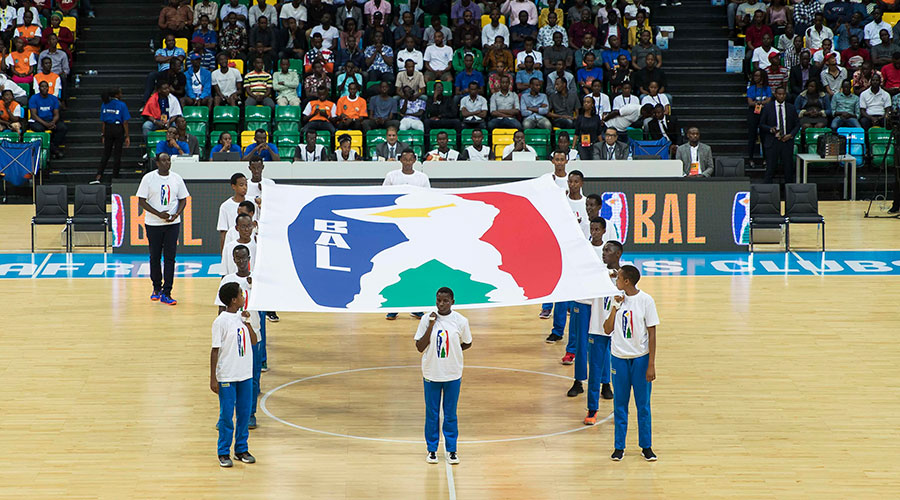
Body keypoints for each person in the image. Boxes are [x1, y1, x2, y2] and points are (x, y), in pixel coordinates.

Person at [603, 265, 659, 462]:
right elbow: (607, 329)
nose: (615, 280)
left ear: (627, 281)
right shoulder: (615, 299)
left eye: (618, 278)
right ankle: (619, 447)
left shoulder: (646, 301)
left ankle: (646, 446)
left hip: (640, 358)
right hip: (619, 358)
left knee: (643, 405)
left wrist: (651, 363)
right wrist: (615, 308)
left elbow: (652, 333)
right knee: (620, 404)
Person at [415, 287, 472, 466]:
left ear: (452, 302)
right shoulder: (426, 319)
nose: (441, 304)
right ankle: (432, 450)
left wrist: (452, 353)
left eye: (445, 301)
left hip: (452, 374)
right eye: (438, 300)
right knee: (431, 413)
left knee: (450, 414)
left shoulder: (461, 321)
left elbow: (467, 343)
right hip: (431, 373)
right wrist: (431, 325)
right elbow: (419, 346)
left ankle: (451, 450)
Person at [210, 280, 259, 468]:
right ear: (233, 300)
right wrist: (213, 378)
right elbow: (215, 351)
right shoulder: (220, 322)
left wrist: (247, 323)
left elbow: (254, 341)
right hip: (228, 376)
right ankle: (223, 452)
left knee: (244, 414)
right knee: (226, 415)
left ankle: (241, 449)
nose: (243, 296)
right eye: (240, 294)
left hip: (245, 374)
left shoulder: (242, 317)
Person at [137, 153, 188, 305]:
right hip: (153, 223)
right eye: (164, 160)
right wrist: (158, 214)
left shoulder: (176, 178)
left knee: (170, 257)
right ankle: (156, 288)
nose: (167, 163)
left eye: (169, 160)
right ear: (157, 162)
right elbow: (141, 200)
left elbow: (183, 199)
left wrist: (176, 214)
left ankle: (167, 291)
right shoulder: (148, 178)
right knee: (155, 256)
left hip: (173, 223)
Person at [583, 238, 620, 425]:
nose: (603, 253)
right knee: (595, 371)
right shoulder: (596, 273)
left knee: (620, 373)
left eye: (608, 250)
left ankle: (621, 410)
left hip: (619, 332)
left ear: (618, 254)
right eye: (603, 250)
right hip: (597, 329)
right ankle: (592, 410)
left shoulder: (626, 276)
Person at [759, 86, 800, 184]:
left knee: (788, 169)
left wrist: (790, 135)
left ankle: (789, 192)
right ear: (775, 95)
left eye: (783, 94)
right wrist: (771, 129)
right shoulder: (768, 107)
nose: (781, 96)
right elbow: (761, 124)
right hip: (773, 141)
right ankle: (767, 192)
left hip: (787, 141)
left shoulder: (791, 107)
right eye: (779, 94)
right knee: (770, 168)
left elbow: (797, 124)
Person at [93, 88, 131, 183]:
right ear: (117, 95)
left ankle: (99, 175)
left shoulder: (104, 104)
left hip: (108, 130)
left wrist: (103, 135)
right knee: (117, 154)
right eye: (120, 93)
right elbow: (125, 122)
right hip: (118, 129)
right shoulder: (122, 105)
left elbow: (103, 122)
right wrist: (127, 136)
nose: (122, 94)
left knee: (106, 153)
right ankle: (115, 177)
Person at [28, 80, 66, 158]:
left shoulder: (53, 98)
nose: (44, 88)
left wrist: (53, 122)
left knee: (63, 128)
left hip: (50, 120)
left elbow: (56, 114)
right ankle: (55, 150)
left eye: (46, 86)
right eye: (42, 86)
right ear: (39, 88)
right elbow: (34, 115)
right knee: (39, 129)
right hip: (38, 121)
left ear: (48, 88)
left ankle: (52, 147)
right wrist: (46, 124)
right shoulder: (34, 98)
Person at [746, 69, 772, 166]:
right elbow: (750, 102)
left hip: (764, 113)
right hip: (753, 113)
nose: (756, 78)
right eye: (755, 76)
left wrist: (758, 102)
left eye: (758, 76)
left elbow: (769, 100)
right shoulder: (751, 88)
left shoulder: (767, 88)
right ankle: (751, 159)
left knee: (764, 137)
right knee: (752, 137)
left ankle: (765, 159)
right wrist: (761, 102)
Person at [218, 172, 249, 250]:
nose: (245, 187)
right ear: (233, 186)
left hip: (249, 244)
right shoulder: (225, 206)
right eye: (241, 185)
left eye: (246, 185)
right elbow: (223, 232)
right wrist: (223, 254)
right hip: (233, 247)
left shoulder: (253, 203)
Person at [574, 95, 602, 160]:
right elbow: (576, 133)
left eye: (588, 102)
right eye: (584, 102)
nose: (586, 104)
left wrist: (602, 146)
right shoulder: (580, 118)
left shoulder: (596, 118)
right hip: (583, 145)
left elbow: (599, 133)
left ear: (592, 104)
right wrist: (573, 147)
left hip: (594, 144)